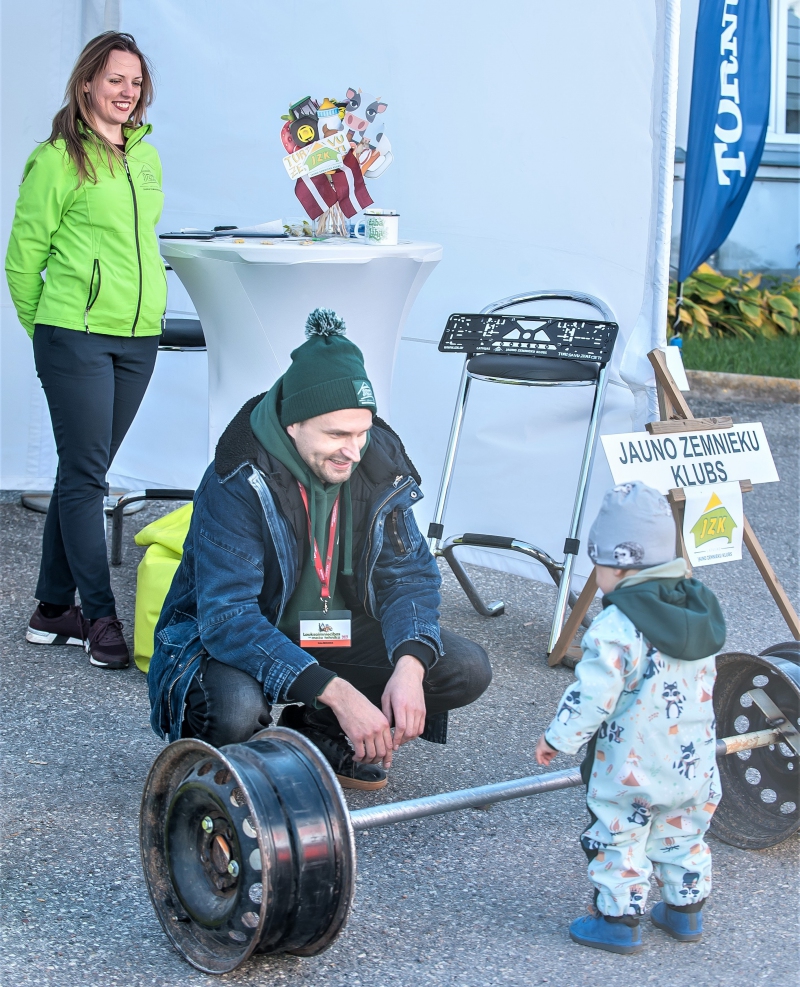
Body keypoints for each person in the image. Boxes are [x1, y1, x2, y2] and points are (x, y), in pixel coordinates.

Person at [149, 309, 492, 790]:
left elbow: (409, 577)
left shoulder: (377, 466)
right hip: (240, 635)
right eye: (336, 435)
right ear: (293, 424)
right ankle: (210, 770)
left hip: (329, 627)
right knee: (234, 710)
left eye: (360, 431)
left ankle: (319, 736)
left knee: (462, 666)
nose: (353, 450)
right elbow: (227, 618)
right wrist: (337, 691)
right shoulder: (237, 477)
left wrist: (410, 667)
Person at [6, 32, 166, 670]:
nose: (126, 93)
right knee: (87, 476)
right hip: (74, 334)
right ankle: (99, 617)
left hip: (137, 337)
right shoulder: (56, 159)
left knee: (81, 469)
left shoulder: (146, 156)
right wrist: (51, 333)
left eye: (135, 82)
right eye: (113, 80)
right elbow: (23, 262)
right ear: (85, 86)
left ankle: (51, 610)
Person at [535, 482, 726, 954]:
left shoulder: (618, 625)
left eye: (596, 565)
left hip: (631, 767)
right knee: (684, 832)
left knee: (619, 835)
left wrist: (558, 739)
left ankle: (618, 921)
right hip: (693, 762)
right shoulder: (697, 609)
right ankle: (684, 913)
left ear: (619, 564)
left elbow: (594, 694)